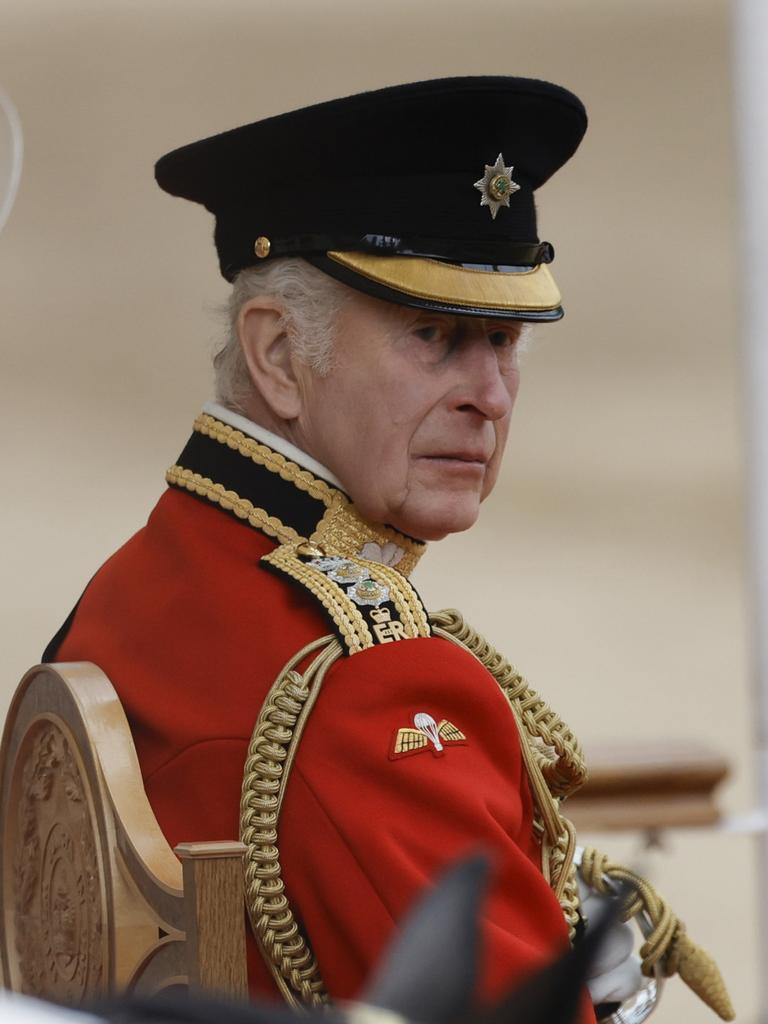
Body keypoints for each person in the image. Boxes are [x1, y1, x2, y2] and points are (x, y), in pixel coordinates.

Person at [42, 77, 685, 1021]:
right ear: (277, 358)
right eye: (434, 335)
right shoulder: (367, 686)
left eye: (503, 340)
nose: (491, 396)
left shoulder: (143, 582)